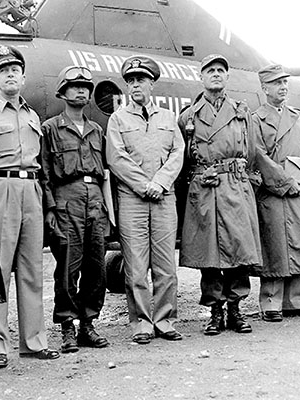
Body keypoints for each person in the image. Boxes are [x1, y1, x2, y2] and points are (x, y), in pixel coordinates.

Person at [0, 45, 59, 368]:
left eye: (15, 69)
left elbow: (42, 164)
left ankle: (33, 342)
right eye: (3, 70)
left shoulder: (34, 117)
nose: (11, 74)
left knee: (33, 269)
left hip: (30, 190)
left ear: (24, 76)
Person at [178, 54, 261, 336]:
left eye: (220, 71)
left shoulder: (241, 111)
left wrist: (235, 173)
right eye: (210, 70)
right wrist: (203, 174)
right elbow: (183, 158)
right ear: (201, 77)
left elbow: (251, 152)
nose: (215, 74)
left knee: (239, 248)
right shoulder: (188, 116)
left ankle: (236, 309)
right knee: (208, 252)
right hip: (204, 187)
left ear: (227, 77)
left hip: (235, 184)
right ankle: (215, 311)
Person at [106, 55, 184, 344]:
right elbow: (116, 158)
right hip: (133, 200)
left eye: (141, 80)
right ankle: (141, 323)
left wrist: (160, 183)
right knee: (136, 267)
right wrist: (144, 185)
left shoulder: (167, 118)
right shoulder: (118, 119)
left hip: (163, 199)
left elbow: (178, 153)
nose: (135, 85)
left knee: (165, 266)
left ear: (152, 83)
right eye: (131, 81)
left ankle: (165, 320)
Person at [41, 66, 109, 353]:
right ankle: (67, 326)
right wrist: (51, 209)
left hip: (95, 200)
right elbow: (44, 174)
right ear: (63, 93)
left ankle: (88, 324)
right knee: (68, 268)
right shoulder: (50, 128)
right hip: (65, 199)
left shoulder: (96, 131)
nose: (81, 91)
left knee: (97, 268)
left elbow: (106, 171)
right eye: (75, 86)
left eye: (85, 87)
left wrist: (107, 210)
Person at [252, 64, 300, 322]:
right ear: (264, 89)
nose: (283, 87)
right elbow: (258, 156)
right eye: (277, 83)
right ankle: (271, 303)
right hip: (274, 192)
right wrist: (286, 183)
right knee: (276, 246)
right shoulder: (256, 119)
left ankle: (297, 300)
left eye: (285, 83)